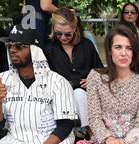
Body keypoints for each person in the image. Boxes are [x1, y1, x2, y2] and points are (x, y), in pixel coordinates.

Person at [44, 8, 103, 137]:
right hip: (60, 96)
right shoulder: (49, 48)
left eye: (68, 34)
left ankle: (92, 134)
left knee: (79, 94)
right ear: (53, 29)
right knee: (77, 94)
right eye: (58, 33)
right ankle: (92, 134)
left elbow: (100, 71)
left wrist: (92, 80)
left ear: (75, 28)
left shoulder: (87, 45)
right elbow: (45, 78)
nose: (63, 37)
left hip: (87, 94)